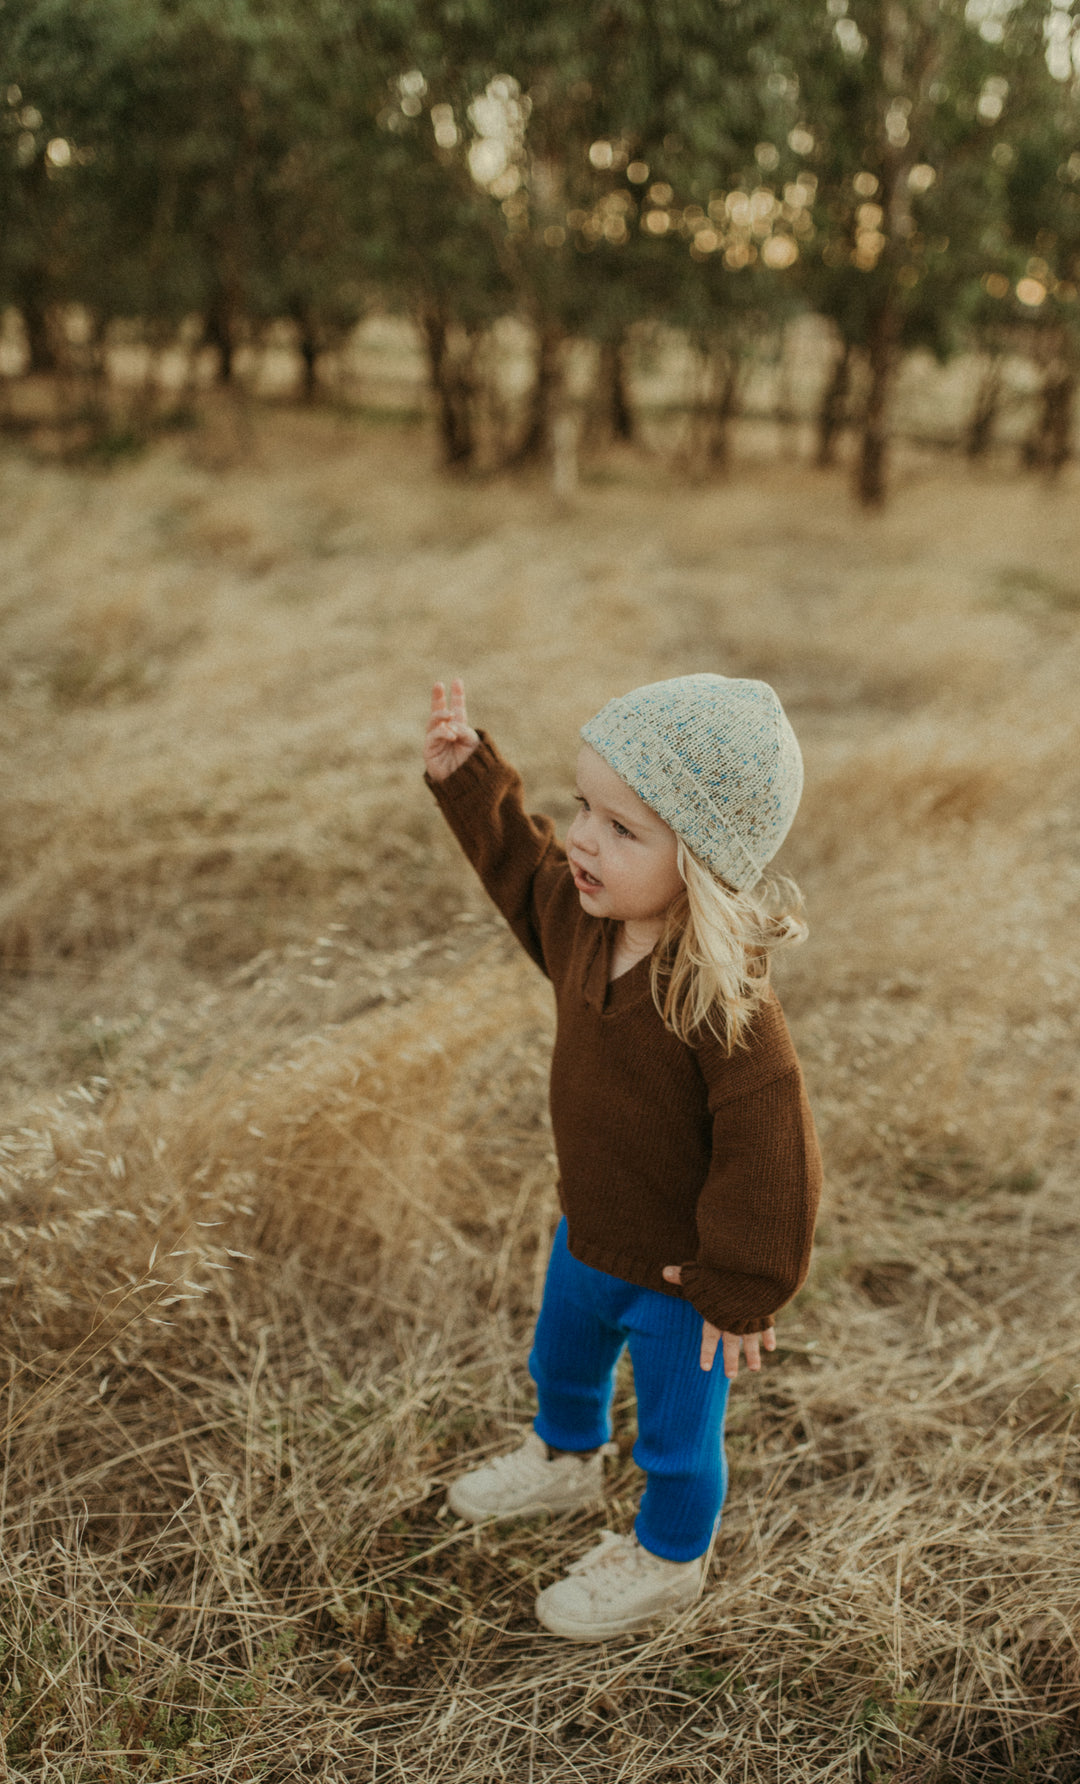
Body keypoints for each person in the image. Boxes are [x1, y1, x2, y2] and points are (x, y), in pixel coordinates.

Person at [423, 673, 822, 1642]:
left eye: (623, 827)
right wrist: (472, 779)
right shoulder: (576, 917)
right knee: (561, 1361)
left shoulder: (723, 1006)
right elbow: (523, 870)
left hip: (682, 1278)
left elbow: (774, 1151)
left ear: (701, 861)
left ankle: (667, 1557)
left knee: (680, 1440)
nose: (582, 839)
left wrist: (742, 1281)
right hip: (589, 1231)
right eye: (582, 807)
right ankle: (564, 1457)